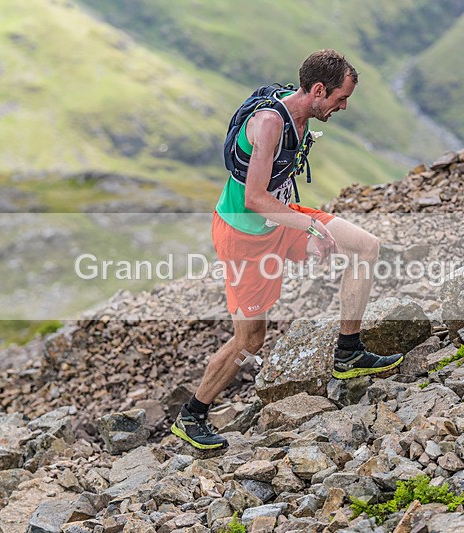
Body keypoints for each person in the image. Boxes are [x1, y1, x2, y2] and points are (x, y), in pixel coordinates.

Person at [171, 49, 404, 449]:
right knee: (250, 340)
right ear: (317, 89)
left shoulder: (300, 115)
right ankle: (192, 415)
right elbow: (254, 199)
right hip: (244, 236)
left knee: (366, 246)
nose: (343, 107)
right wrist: (311, 226)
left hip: (282, 218)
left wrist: (306, 228)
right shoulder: (268, 124)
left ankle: (348, 351)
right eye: (340, 98)